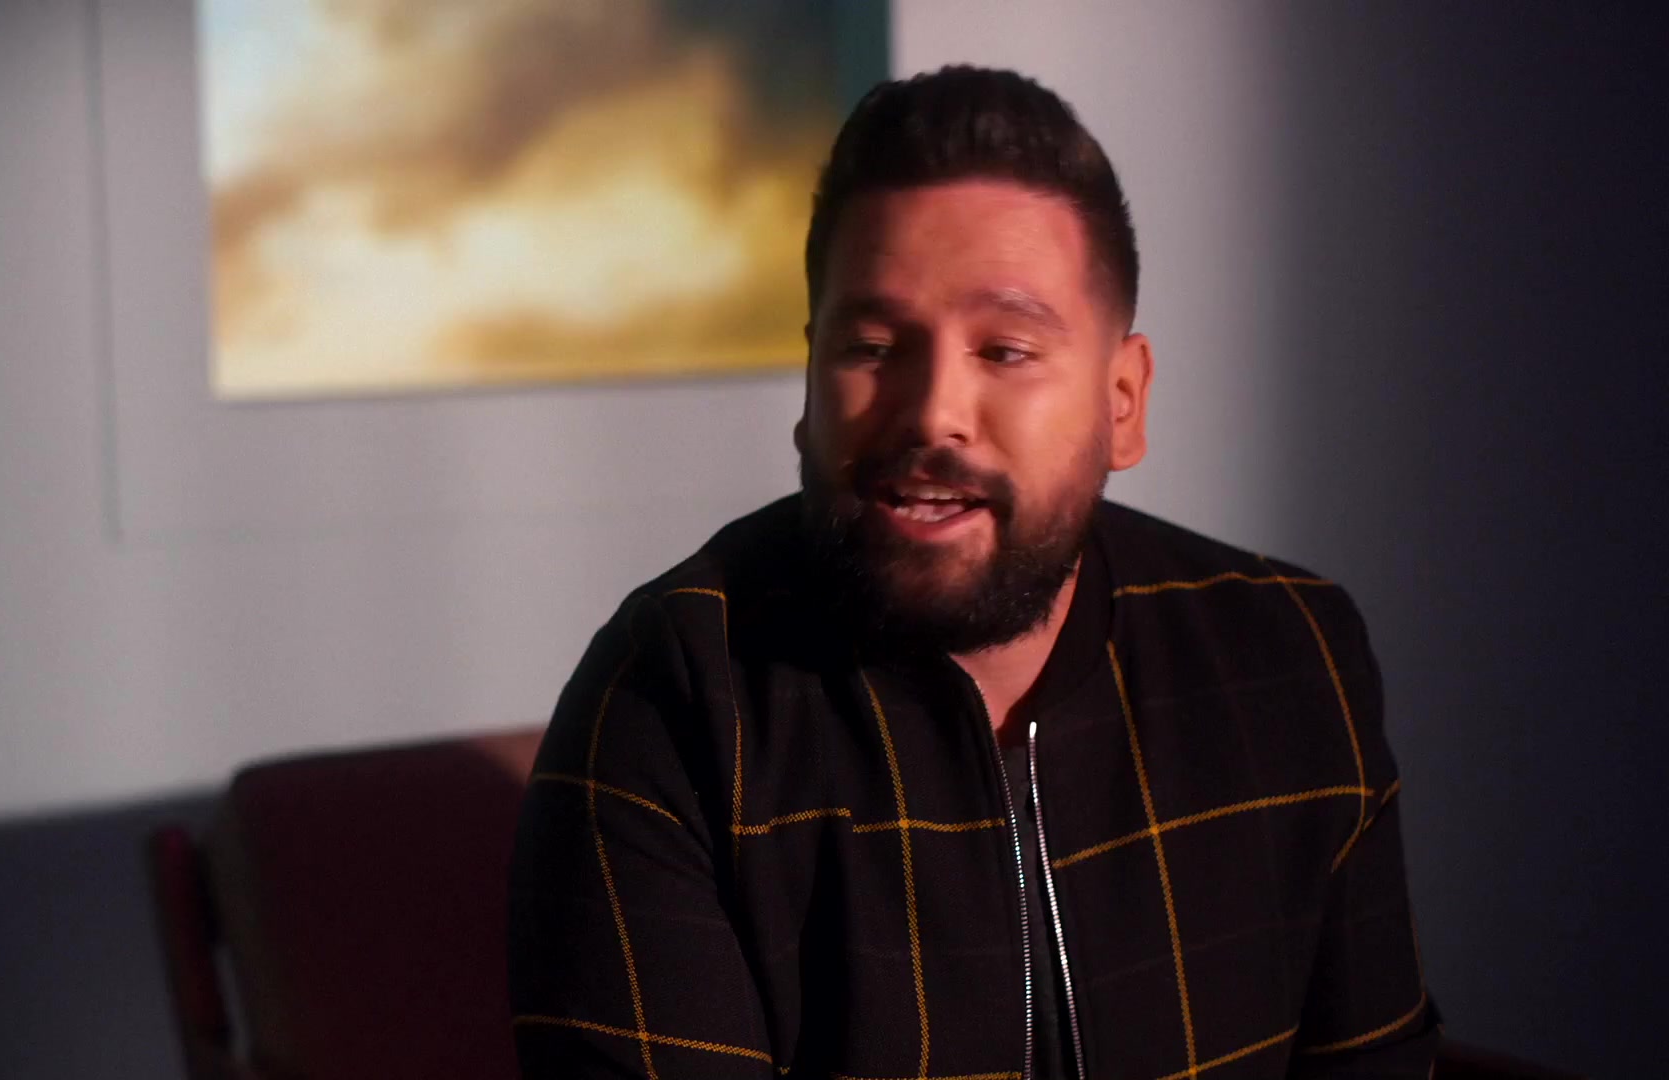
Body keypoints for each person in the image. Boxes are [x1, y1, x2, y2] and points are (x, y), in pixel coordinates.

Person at [508, 65, 1438, 1080]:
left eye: (1005, 350)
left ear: (1122, 403)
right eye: (872, 347)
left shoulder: (1289, 655)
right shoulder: (675, 699)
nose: (932, 414)